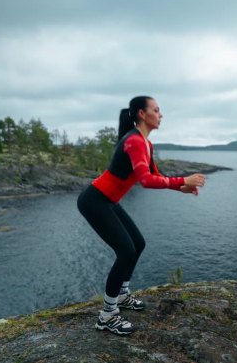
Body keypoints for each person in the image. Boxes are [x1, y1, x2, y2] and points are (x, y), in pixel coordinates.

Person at [76, 96, 206, 335]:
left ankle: (122, 295)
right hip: (94, 201)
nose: (161, 114)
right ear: (142, 114)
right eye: (156, 110)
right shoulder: (135, 141)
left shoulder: (146, 143)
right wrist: (183, 179)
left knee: (138, 243)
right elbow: (146, 181)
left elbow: (154, 174)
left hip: (107, 200)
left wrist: (181, 187)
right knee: (125, 250)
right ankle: (107, 315)